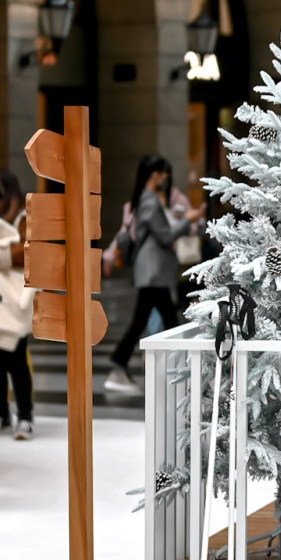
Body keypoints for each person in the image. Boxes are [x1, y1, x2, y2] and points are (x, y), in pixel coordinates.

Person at [105, 155, 202, 394]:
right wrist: (188, 222)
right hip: (153, 271)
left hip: (152, 272)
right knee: (168, 319)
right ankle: (186, 369)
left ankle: (120, 366)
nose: (166, 178)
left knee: (153, 319)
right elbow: (165, 236)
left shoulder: (144, 200)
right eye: (162, 173)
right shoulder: (149, 202)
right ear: (154, 175)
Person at [0, 168, 35, 438]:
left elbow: (24, 254)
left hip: (16, 300)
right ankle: (1, 414)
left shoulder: (25, 217)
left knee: (16, 360)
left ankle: (25, 416)